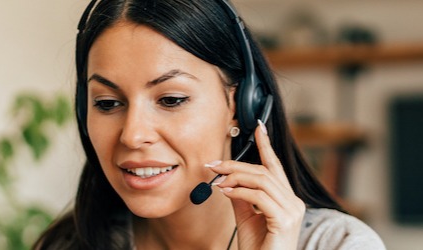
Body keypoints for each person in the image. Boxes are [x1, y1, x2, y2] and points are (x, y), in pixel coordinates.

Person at [33, 0, 385, 249]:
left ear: (242, 105)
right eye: (107, 103)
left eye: (171, 100)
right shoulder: (66, 245)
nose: (133, 134)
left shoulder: (338, 244)